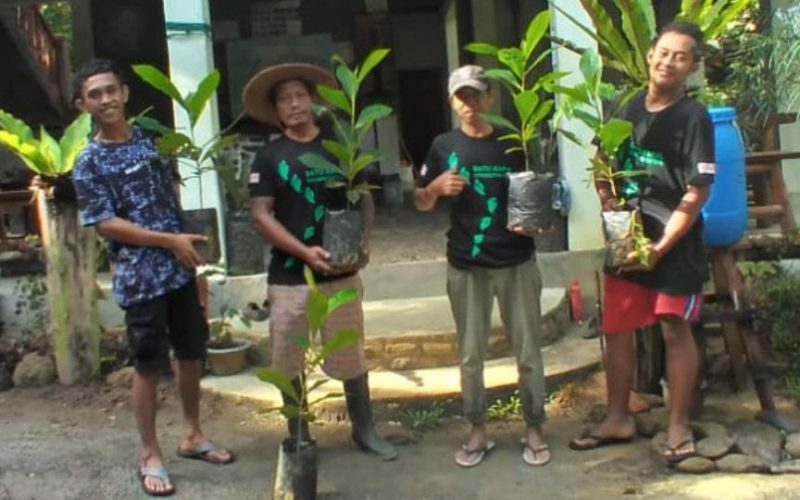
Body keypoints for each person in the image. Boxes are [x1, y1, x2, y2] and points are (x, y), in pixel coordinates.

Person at [72, 59, 234, 497]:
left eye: (111, 90)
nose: (105, 99)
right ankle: (149, 453)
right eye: (95, 94)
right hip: (140, 280)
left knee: (191, 353)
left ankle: (192, 435)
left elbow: (170, 200)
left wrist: (193, 264)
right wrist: (168, 241)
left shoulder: (150, 142)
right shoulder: (88, 162)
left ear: (124, 93)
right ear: (82, 104)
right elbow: (105, 223)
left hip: (179, 269)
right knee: (147, 367)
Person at [568, 23, 715, 465]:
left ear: (691, 67)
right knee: (617, 330)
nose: (669, 61)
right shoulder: (625, 106)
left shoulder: (694, 117)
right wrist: (610, 204)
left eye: (681, 56)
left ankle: (677, 426)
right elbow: (601, 162)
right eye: (664, 52)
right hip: (626, 239)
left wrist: (662, 246)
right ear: (650, 55)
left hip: (675, 242)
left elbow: (699, 190)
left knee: (674, 329)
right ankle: (618, 417)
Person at [244, 62, 397, 460]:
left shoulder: (338, 146)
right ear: (276, 110)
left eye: (300, 95)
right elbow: (261, 215)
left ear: (313, 101)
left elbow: (363, 197)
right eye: (284, 99)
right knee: (287, 357)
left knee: (350, 353)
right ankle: (298, 434)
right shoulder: (269, 157)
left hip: (342, 273)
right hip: (291, 277)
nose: (294, 104)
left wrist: (362, 245)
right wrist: (303, 252)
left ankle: (365, 430)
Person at [414, 65, 550, 467]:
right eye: (461, 96)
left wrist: (539, 221)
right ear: (451, 101)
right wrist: (435, 189)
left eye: (476, 95)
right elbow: (420, 202)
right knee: (471, 356)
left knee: (528, 353)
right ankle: (477, 430)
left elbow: (539, 194)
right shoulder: (442, 145)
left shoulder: (513, 142)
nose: (469, 104)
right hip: (466, 265)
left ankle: (535, 427)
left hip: (516, 262)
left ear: (490, 98)